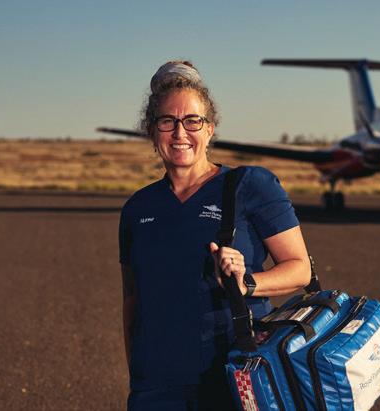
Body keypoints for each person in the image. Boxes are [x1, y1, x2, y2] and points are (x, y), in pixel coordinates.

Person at [118, 60, 311, 410]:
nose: (180, 133)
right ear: (151, 131)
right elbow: (132, 300)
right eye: (167, 121)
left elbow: (300, 269)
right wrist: (139, 377)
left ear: (210, 129)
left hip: (234, 378)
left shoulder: (250, 185)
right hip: (157, 388)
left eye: (192, 121)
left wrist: (246, 283)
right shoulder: (137, 208)